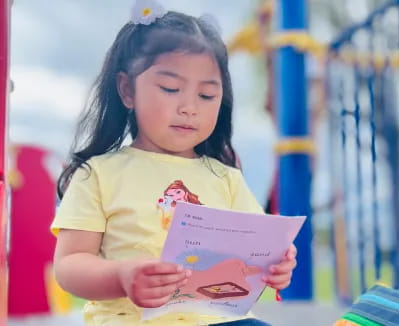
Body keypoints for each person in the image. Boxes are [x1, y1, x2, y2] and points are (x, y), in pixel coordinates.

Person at [51, 1, 297, 325]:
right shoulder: (98, 174)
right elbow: (69, 265)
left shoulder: (226, 178)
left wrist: (276, 263)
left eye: (207, 95)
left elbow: (255, 251)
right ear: (127, 90)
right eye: (170, 88)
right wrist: (121, 275)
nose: (189, 108)